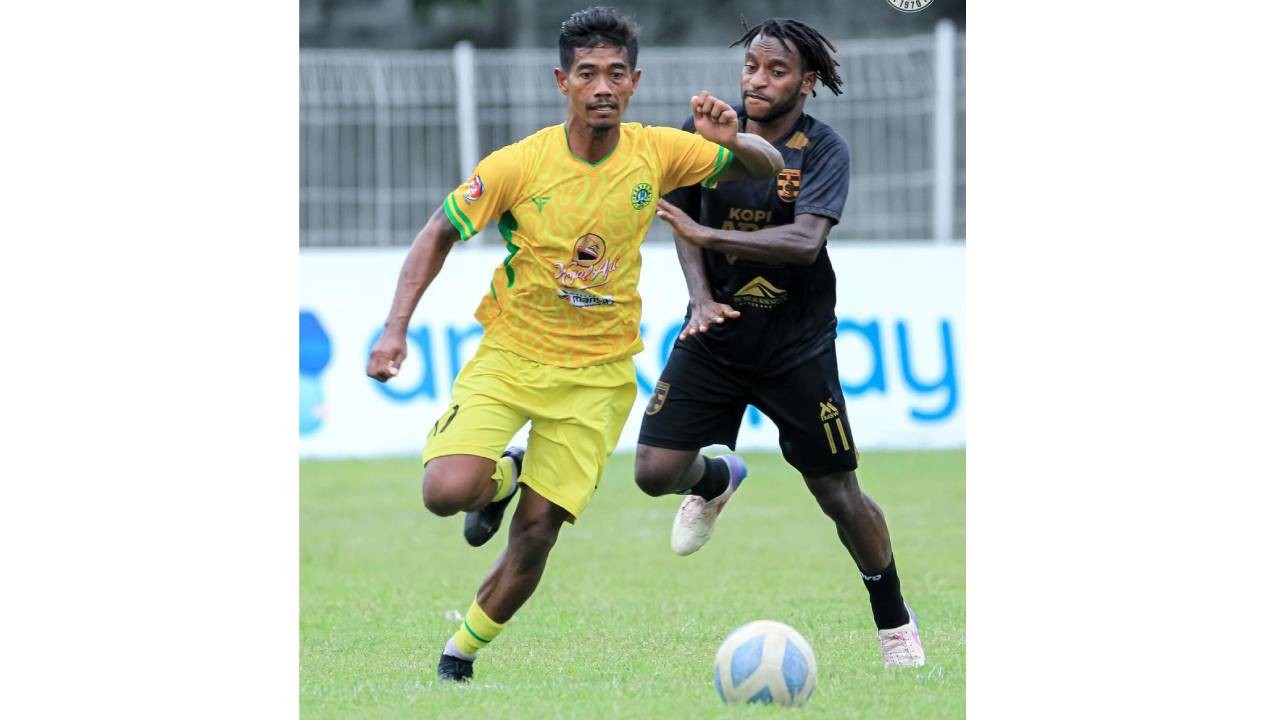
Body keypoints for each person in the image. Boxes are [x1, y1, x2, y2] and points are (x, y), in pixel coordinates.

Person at [365, 6, 783, 683]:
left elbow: (762, 169)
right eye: (587, 74)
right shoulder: (518, 164)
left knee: (536, 534)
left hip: (597, 377)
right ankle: (500, 476)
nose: (603, 88)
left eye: (617, 74)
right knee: (447, 491)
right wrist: (394, 328)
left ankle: (458, 658)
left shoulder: (658, 151)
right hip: (511, 357)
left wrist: (735, 140)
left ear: (635, 82)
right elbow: (437, 231)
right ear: (563, 81)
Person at [634, 18, 926, 668]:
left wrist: (713, 240)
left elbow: (803, 242)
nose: (758, 80)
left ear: (807, 81)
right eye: (752, 68)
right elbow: (682, 221)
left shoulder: (823, 149)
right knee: (653, 472)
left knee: (838, 494)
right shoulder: (708, 133)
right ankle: (716, 477)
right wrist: (702, 296)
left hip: (796, 345)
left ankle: (895, 621)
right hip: (716, 333)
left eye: (776, 70)